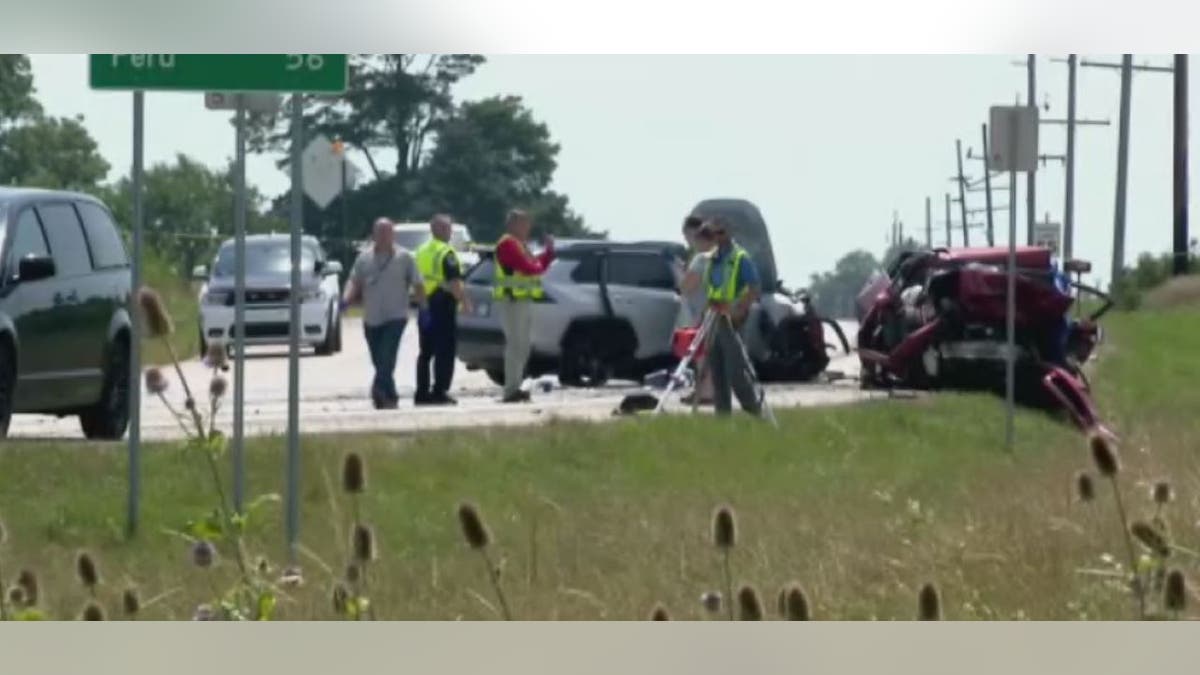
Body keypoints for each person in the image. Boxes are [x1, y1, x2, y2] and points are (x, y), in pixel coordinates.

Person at [342, 218, 425, 409]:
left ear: (393, 235)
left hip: (396, 316)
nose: (384, 237)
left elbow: (418, 283)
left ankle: (378, 390)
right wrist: (346, 300)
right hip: (372, 318)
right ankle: (390, 395)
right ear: (374, 235)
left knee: (387, 354)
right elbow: (354, 281)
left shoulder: (405, 257)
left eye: (388, 233)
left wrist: (424, 307)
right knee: (380, 360)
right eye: (380, 233)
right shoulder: (364, 258)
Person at [700, 217, 763, 417]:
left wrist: (738, 308)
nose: (717, 238)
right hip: (713, 316)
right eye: (713, 234)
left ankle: (753, 410)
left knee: (736, 370)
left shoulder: (740, 258)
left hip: (732, 319)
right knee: (717, 372)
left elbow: (754, 288)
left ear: (729, 233)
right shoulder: (711, 259)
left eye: (721, 233)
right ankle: (722, 417)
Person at [493, 209, 555, 403]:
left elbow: (537, 266)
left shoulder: (520, 245)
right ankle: (511, 390)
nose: (528, 227)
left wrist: (548, 253)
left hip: (523, 300)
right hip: (512, 300)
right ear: (512, 224)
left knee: (523, 346)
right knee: (515, 345)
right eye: (524, 223)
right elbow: (529, 268)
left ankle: (515, 387)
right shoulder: (508, 244)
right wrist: (539, 264)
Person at [414, 214, 473, 406]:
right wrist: (464, 301)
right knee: (445, 351)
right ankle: (439, 391)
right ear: (439, 230)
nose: (450, 232)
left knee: (425, 352)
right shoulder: (447, 253)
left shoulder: (421, 250)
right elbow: (455, 282)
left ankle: (421, 393)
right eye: (448, 229)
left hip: (424, 305)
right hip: (442, 305)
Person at [678, 216, 715, 404]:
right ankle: (711, 391)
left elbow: (687, 286)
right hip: (720, 312)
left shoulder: (701, 259)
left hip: (702, 313)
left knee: (701, 355)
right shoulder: (723, 257)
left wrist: (681, 276)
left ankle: (705, 393)